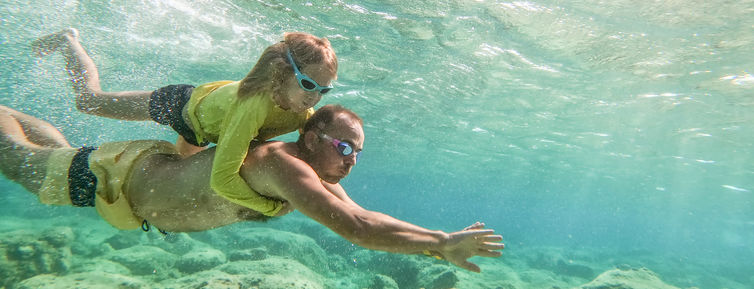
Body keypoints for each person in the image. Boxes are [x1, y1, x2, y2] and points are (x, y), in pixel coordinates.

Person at [0, 104, 504, 272]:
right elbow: (357, 228)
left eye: (358, 153)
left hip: (132, 177)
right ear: (310, 138)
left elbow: (367, 216)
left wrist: (440, 241)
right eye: (344, 148)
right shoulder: (286, 166)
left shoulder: (310, 173)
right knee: (21, 165)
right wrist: (440, 244)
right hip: (122, 180)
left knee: (46, 158)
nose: (350, 162)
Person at [32, 28, 337, 217]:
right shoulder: (252, 107)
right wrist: (270, 208)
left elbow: (317, 159)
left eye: (324, 90)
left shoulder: (302, 113)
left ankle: (65, 155)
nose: (315, 98)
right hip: (180, 107)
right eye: (309, 85)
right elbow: (222, 180)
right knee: (89, 101)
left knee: (177, 171)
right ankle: (68, 40)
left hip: (208, 127)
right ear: (282, 73)